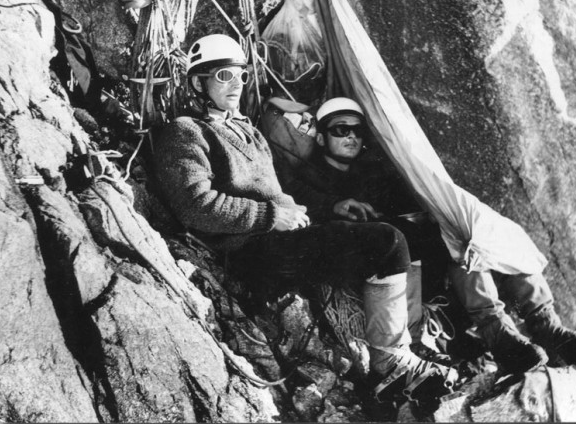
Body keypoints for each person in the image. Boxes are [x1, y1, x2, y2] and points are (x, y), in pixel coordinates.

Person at [153, 34, 457, 401]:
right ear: (198, 83)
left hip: (284, 236)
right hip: (252, 251)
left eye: (241, 75)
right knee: (386, 242)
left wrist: (329, 206)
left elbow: (286, 187)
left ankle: (412, 343)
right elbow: (195, 206)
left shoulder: (249, 132)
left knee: (408, 233)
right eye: (223, 76)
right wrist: (270, 216)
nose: (236, 84)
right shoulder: (187, 132)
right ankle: (391, 364)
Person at [284, 96, 576, 375]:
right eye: (341, 130)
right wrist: (334, 205)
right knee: (445, 242)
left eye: (357, 130)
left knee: (477, 232)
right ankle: (488, 336)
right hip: (385, 270)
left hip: (426, 261)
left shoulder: (377, 171)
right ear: (322, 138)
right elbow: (296, 200)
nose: (351, 137)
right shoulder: (309, 176)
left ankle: (546, 326)